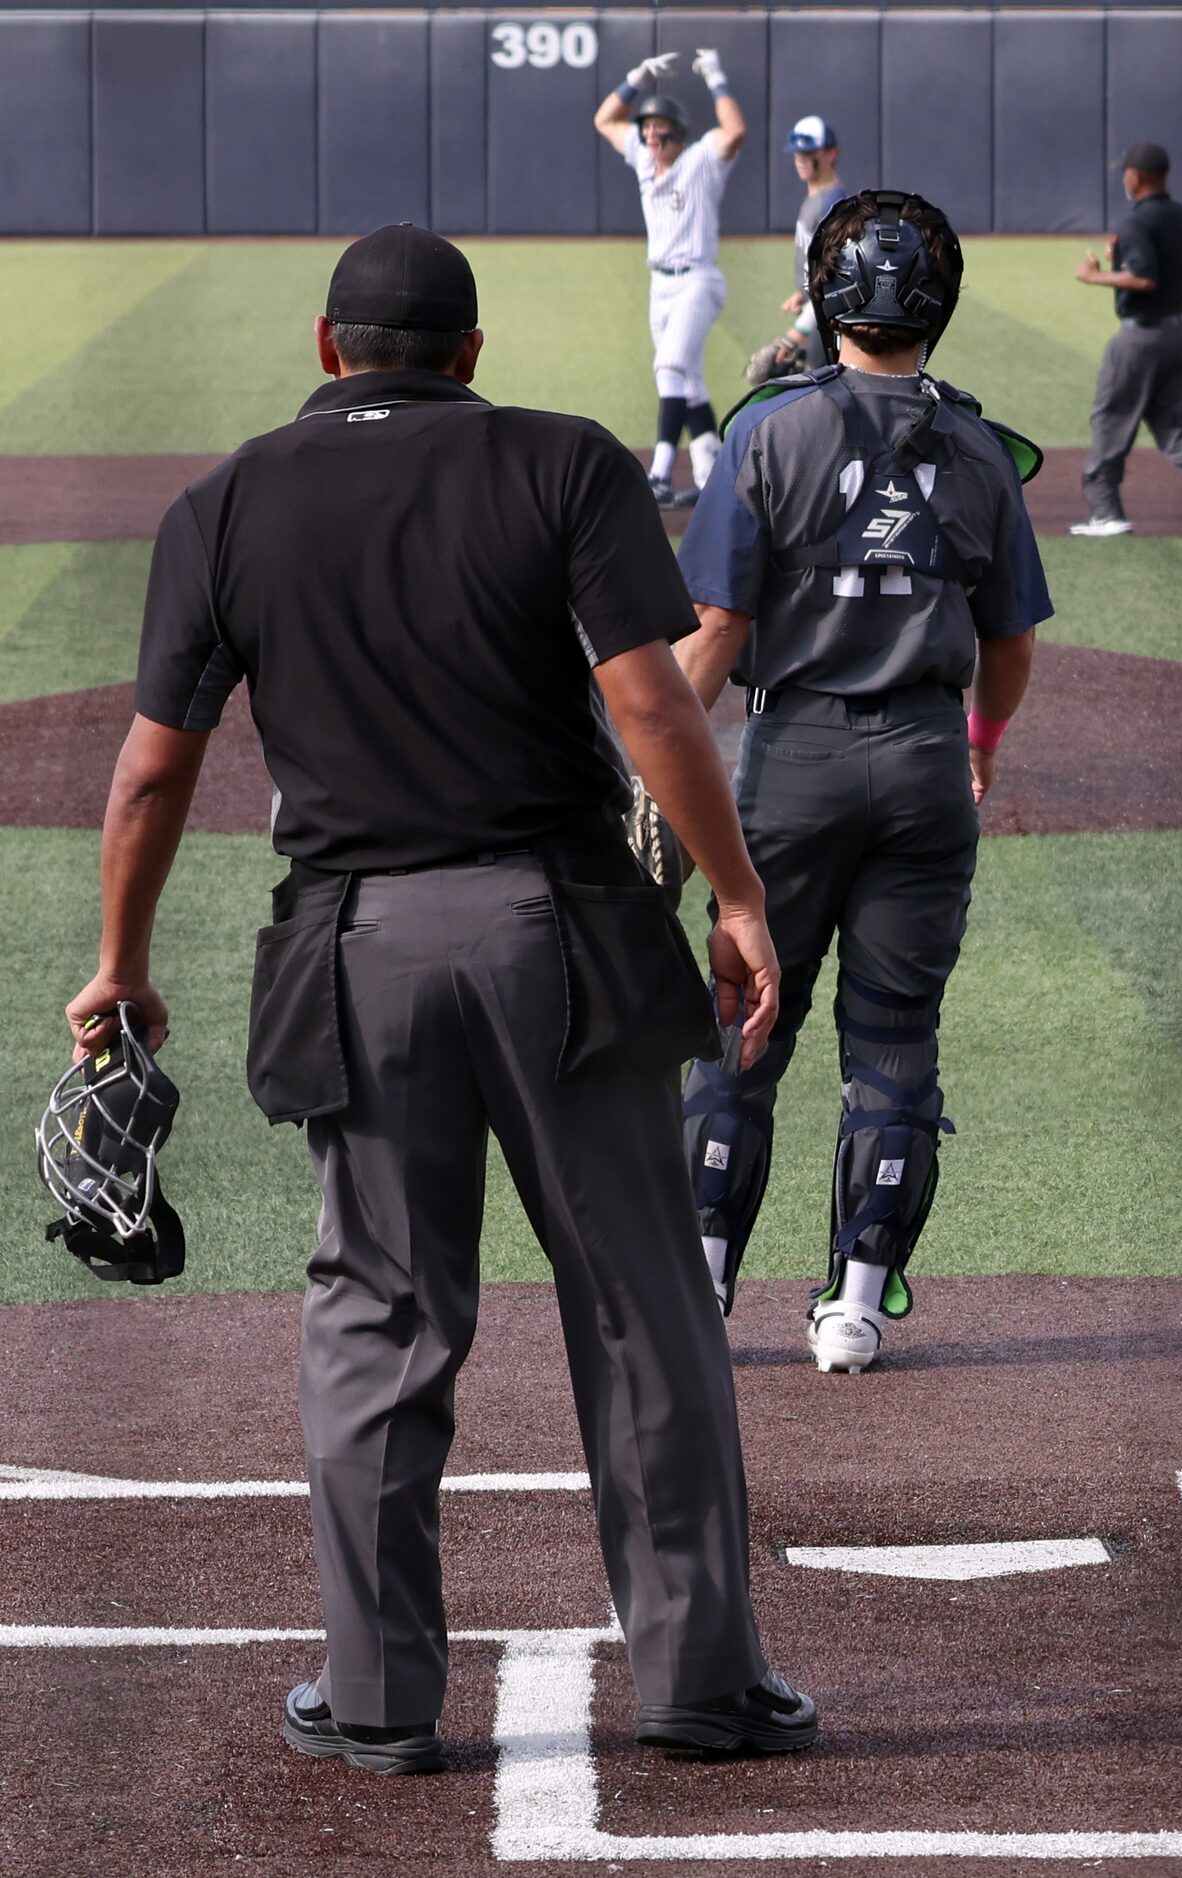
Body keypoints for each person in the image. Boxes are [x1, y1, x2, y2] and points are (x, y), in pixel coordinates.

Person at [64, 225, 818, 1773]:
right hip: (563, 942)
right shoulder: (564, 461)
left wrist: (123, 965)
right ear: (470, 356)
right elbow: (652, 696)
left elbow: (153, 769)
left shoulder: (226, 501)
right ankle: (695, 1681)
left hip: (353, 954)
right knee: (643, 1307)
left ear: (328, 349)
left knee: (379, 1318)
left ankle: (381, 1696)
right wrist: (737, 893)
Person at [671, 189, 1052, 1376]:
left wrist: (653, 763)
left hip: (794, 766)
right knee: (894, 1037)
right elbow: (1011, 645)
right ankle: (856, 1303)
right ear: (941, 300)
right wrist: (980, 746)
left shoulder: (766, 433)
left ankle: (703, 1279)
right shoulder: (984, 448)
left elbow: (715, 631)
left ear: (824, 295)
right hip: (929, 766)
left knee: (741, 1023)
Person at [594, 48, 747, 509]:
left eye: (662, 133)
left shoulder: (699, 161)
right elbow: (605, 119)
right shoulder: (642, 158)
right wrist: (636, 76)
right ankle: (710, 475)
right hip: (660, 283)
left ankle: (659, 473)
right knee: (690, 382)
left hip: (698, 280)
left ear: (680, 136)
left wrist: (716, 77)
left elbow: (734, 130)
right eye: (648, 131)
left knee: (669, 368)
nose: (653, 140)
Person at [1070, 140, 1182, 540]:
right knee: (1176, 427)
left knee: (1111, 419)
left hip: (1143, 338)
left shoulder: (1136, 223)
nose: (1124, 177)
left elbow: (1144, 278)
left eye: (1126, 171)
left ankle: (1106, 512)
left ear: (1137, 177)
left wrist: (1095, 276)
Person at [742, 114, 846, 390]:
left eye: (809, 152)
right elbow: (816, 265)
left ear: (831, 153)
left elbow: (835, 280)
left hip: (825, 322)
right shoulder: (816, 197)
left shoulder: (832, 204)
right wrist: (802, 293)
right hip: (814, 312)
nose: (800, 158)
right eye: (798, 152)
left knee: (825, 400)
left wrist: (795, 335)